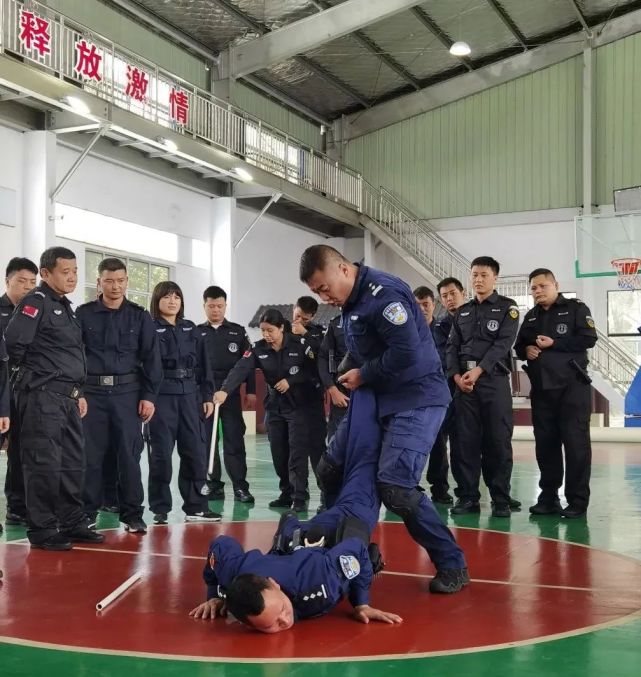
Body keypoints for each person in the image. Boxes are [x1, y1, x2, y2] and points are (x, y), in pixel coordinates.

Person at [299, 244, 468, 593]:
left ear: (344, 269)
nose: (323, 296)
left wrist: (364, 375)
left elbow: (406, 352)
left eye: (324, 287)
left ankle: (452, 564)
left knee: (396, 487)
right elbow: (364, 348)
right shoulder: (350, 303)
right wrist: (347, 373)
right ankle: (339, 544)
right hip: (377, 395)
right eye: (315, 292)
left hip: (416, 398)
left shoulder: (384, 294)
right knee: (329, 469)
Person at [190, 388, 400, 631]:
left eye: (281, 610)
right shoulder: (234, 575)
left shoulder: (318, 582)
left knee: (366, 460)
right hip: (300, 541)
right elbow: (220, 547)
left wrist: (361, 603)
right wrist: (215, 594)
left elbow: (356, 550)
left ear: (274, 584)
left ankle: (369, 386)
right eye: (272, 626)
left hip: (343, 523)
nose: (285, 620)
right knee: (341, 466)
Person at [5, 247, 102, 550]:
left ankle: (71, 521)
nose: (72, 277)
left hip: (68, 399)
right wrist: (36, 379)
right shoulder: (37, 302)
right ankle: (43, 529)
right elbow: (13, 346)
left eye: (75, 271)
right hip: (42, 398)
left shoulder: (65, 307)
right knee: (43, 465)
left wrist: (78, 392)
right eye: (65, 271)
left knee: (72, 462)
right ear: (45, 274)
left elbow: (69, 355)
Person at [76, 257, 162, 534]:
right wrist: (77, 392)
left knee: (129, 456)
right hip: (92, 394)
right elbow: (75, 356)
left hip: (127, 394)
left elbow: (152, 359)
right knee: (91, 456)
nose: (115, 286)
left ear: (127, 282)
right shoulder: (83, 314)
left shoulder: (139, 316)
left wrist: (149, 396)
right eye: (109, 281)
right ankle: (87, 513)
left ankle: (133, 514)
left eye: (121, 281)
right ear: (99, 282)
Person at [214, 309, 318, 512]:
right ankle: (286, 492)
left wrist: (291, 380)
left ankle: (299, 496)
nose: (266, 335)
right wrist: (225, 390)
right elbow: (240, 369)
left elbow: (313, 370)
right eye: (263, 331)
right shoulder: (258, 349)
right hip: (275, 406)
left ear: (281, 328)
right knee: (279, 453)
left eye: (270, 330)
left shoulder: (299, 345)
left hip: (298, 405)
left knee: (297, 452)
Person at [515, 268, 597, 518]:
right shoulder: (530, 317)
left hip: (573, 389)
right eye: (534, 288)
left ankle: (577, 502)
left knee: (576, 446)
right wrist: (527, 349)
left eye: (543, 286)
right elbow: (518, 347)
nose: (538, 291)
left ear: (555, 285)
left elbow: (588, 338)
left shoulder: (575, 309)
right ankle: (548, 498)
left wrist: (555, 344)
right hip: (542, 391)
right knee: (546, 447)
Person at [446, 256, 520, 518]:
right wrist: (456, 376)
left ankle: (500, 498)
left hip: (493, 382)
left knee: (497, 441)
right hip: (464, 386)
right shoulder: (463, 312)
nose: (478, 279)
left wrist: (478, 370)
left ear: (495, 278)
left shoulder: (508, 309)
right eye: (474, 275)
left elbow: (502, 344)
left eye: (484, 275)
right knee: (464, 443)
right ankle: (467, 497)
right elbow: (452, 347)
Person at [147, 281, 221, 524]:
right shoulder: (148, 328)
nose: (172, 301)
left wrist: (207, 396)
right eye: (167, 297)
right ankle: (160, 507)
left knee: (195, 453)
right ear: (157, 301)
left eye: (177, 296)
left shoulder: (191, 329)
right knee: (160, 455)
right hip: (161, 398)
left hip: (190, 396)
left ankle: (196, 506)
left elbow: (203, 365)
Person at [199, 286, 255, 503]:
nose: (216, 310)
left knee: (234, 440)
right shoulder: (197, 333)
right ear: (204, 305)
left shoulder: (238, 332)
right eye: (211, 306)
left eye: (220, 306)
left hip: (230, 395)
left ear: (225, 305)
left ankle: (240, 487)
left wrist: (250, 391)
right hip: (206, 397)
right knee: (208, 442)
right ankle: (213, 484)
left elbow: (248, 364)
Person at [1, 257, 38, 527]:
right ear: (7, 281)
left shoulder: (35, 311)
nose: (27, 287)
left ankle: (18, 506)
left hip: (27, 389)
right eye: (21, 281)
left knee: (23, 450)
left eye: (32, 282)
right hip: (3, 387)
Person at [413, 285, 452, 505]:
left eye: (426, 304)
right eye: (417, 306)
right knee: (413, 445)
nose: (422, 309)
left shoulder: (445, 330)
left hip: (437, 397)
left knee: (439, 445)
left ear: (433, 305)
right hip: (413, 397)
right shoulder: (407, 331)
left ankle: (440, 488)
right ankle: (411, 485)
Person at [291, 295, 327, 483]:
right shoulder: (283, 331)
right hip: (289, 397)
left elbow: (322, 354)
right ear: (293, 309)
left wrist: (304, 333)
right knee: (295, 448)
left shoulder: (318, 333)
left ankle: (325, 491)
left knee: (317, 445)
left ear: (312, 317)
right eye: (297, 316)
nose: (299, 321)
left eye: (305, 319)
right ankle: (297, 494)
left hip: (312, 394)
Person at [318, 314, 349, 441]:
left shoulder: (374, 318)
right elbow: (323, 357)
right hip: (341, 393)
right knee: (335, 442)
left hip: (369, 392)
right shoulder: (335, 323)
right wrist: (332, 389)